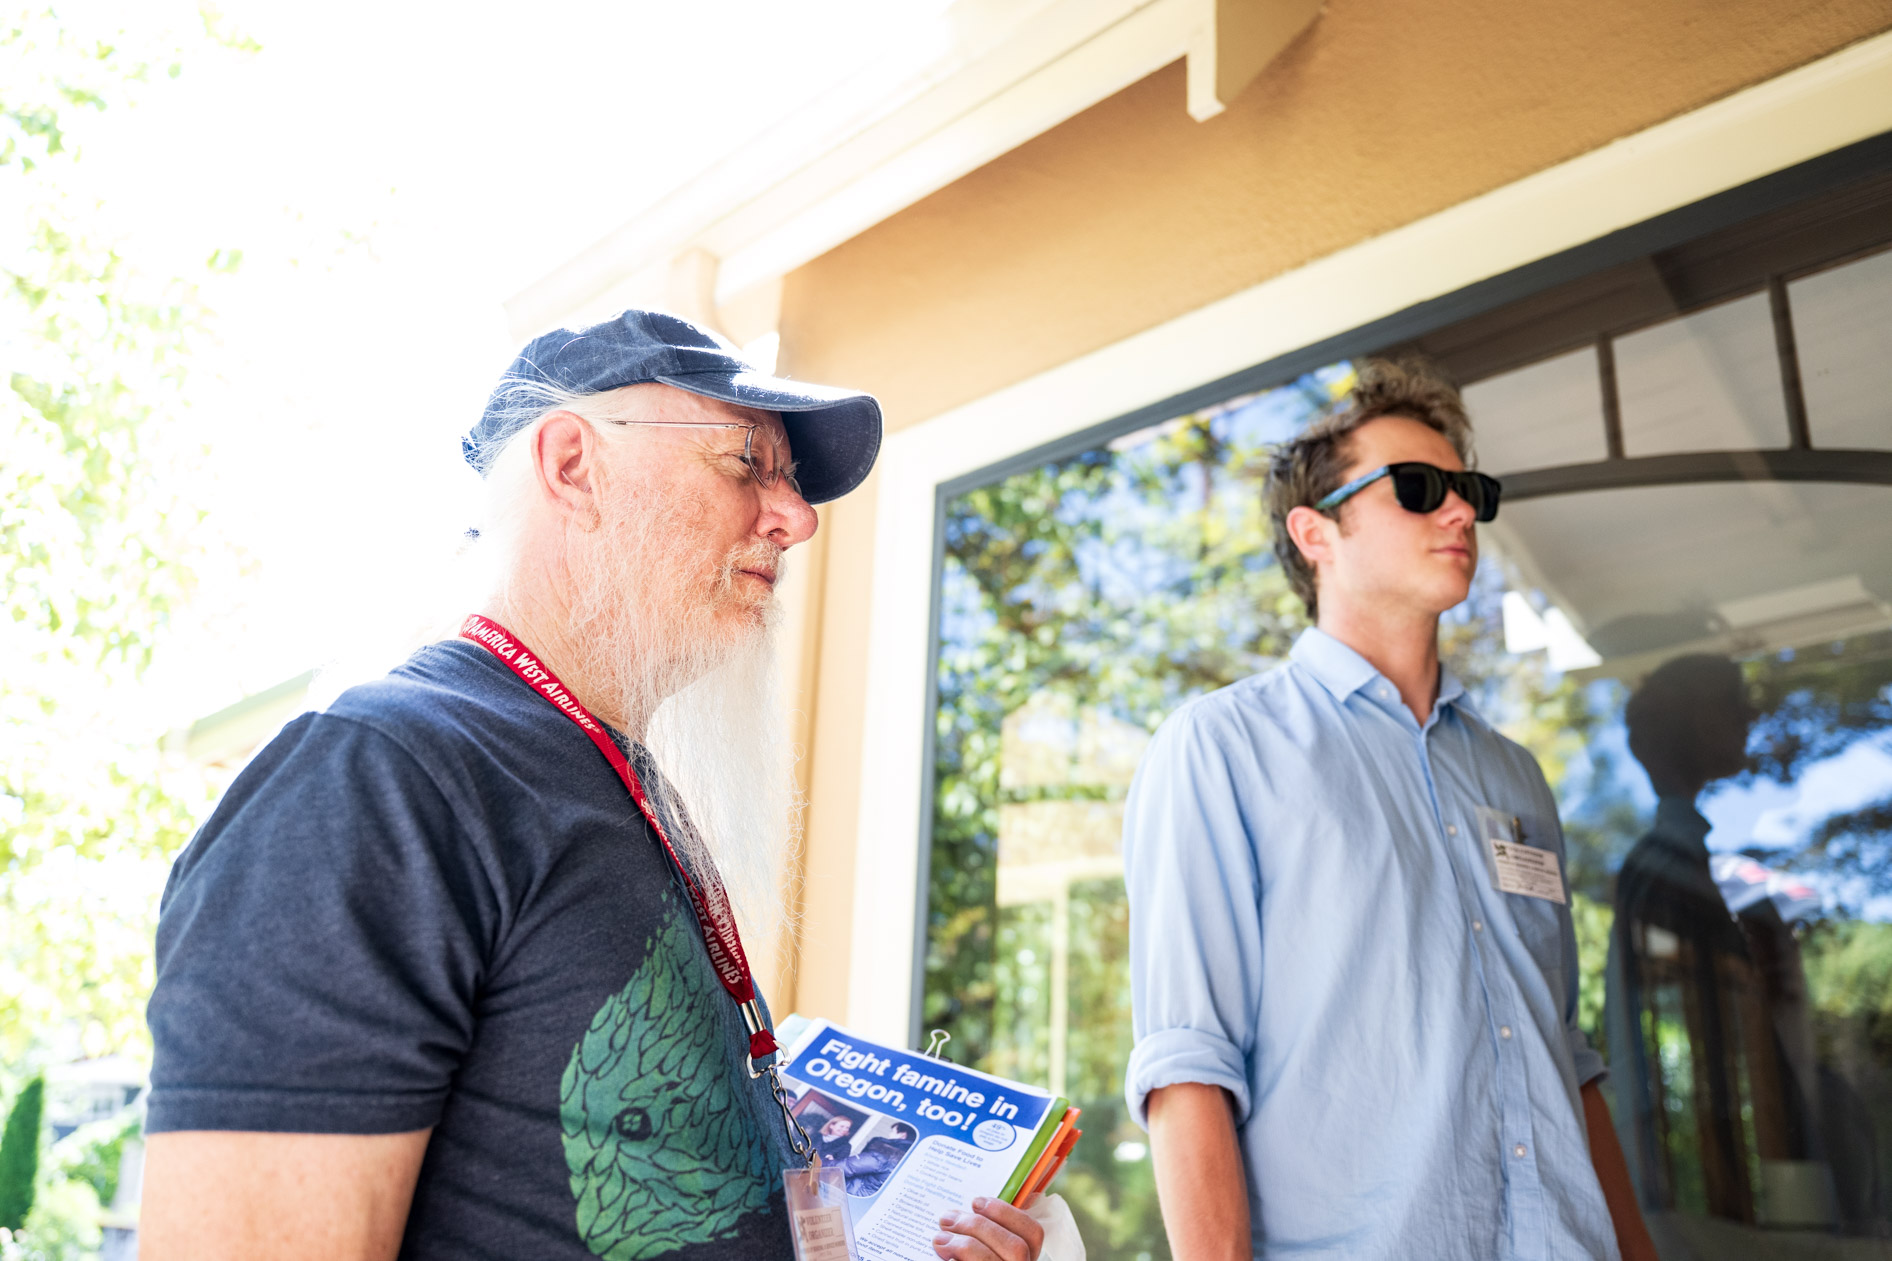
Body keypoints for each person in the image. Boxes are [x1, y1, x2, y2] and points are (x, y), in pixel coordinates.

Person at [138, 310, 1046, 1261]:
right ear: (573, 466)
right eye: (747, 463)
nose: (799, 516)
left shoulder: (616, 781)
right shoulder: (378, 775)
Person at [1122, 360, 1658, 1260]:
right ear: (1315, 531)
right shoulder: (1220, 748)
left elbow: (1568, 1058)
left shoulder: (1518, 777)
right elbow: (1189, 1064)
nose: (1458, 512)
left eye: (1470, 492)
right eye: (1418, 488)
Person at [1606, 654, 1874, 1231]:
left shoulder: (1677, 863)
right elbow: (1700, 1044)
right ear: (1695, 720)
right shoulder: (1666, 869)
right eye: (1733, 702)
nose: (1750, 715)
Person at [840, 1122, 918, 1198]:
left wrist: (828, 1163)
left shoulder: (886, 1152)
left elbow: (845, 1167)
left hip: (854, 1193)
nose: (889, 1134)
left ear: (902, 1135)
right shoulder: (909, 1159)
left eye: (892, 1131)